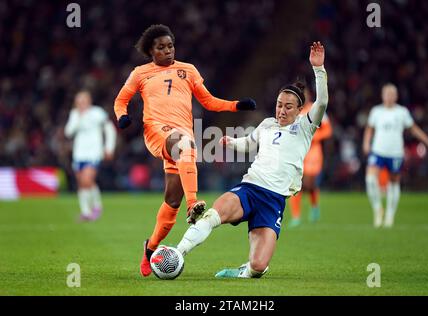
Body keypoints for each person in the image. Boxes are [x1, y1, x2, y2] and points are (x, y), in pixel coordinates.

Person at [113, 24, 256, 277]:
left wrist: (236, 105)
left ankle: (150, 248)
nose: (167, 51)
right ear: (150, 51)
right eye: (161, 47)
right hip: (157, 132)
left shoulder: (187, 70)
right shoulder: (140, 73)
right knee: (185, 144)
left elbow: (208, 101)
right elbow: (121, 100)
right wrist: (122, 117)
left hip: (181, 137)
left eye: (170, 46)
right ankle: (194, 205)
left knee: (171, 201)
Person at [176, 42, 328, 278]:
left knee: (258, 267)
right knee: (214, 214)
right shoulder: (267, 124)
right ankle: (177, 254)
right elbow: (249, 142)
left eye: (288, 107)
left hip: (273, 200)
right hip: (250, 188)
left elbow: (322, 103)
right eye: (279, 105)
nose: (282, 110)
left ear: (299, 110)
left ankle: (243, 271)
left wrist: (318, 69)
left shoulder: (305, 127)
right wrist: (232, 142)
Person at [363, 83, 428, 228]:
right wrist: (366, 143)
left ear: (396, 96)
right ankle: (378, 209)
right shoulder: (376, 111)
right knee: (370, 179)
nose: (389, 96)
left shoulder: (402, 112)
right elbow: (369, 129)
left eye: (392, 94)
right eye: (387, 94)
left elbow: (414, 129)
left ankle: (390, 215)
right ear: (382, 95)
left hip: (395, 153)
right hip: (378, 151)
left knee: (393, 183)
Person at [64, 90, 117, 222]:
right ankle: (86, 212)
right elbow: (68, 132)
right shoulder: (75, 114)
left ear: (89, 101)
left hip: (93, 152)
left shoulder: (97, 113)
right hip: (79, 154)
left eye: (83, 100)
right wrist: (78, 117)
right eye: (79, 101)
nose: (81, 103)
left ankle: (97, 207)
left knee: (87, 180)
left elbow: (110, 129)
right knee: (82, 183)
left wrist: (109, 148)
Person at [288, 89, 332, 227]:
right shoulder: (291, 110)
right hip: (296, 152)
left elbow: (328, 130)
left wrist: (315, 136)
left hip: (313, 152)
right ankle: (296, 216)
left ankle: (314, 206)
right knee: (295, 184)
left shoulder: (316, 109)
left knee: (309, 184)